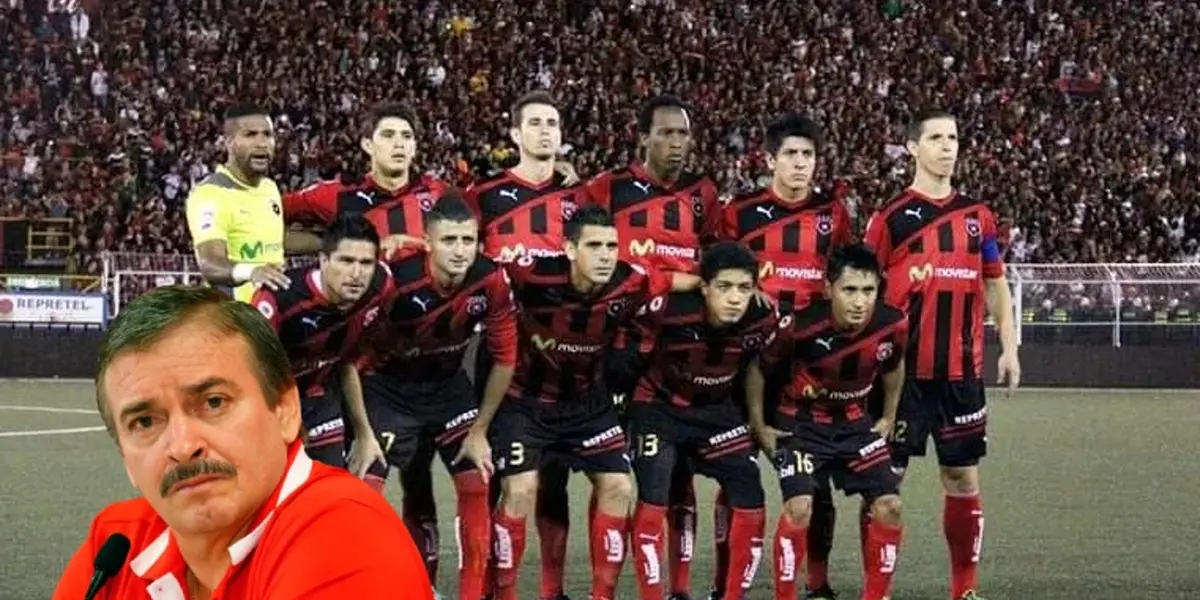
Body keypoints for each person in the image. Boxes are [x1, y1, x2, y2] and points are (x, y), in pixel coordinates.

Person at [52, 286, 431, 599]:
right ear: (125, 456)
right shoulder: (116, 544)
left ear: (284, 409)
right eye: (145, 422)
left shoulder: (346, 536)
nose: (183, 446)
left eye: (214, 402)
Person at [470, 206, 689, 600]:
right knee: (520, 490)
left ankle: (600, 596)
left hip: (588, 405)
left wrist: (720, 282)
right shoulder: (531, 272)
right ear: (570, 248)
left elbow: (675, 280)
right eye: (594, 246)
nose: (605, 255)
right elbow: (478, 265)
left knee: (620, 487)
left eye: (611, 246)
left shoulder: (630, 280)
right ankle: (504, 594)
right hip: (524, 402)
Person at [864, 109, 1021, 600]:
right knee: (885, 488)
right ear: (912, 147)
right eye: (935, 138)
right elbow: (862, 291)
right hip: (899, 377)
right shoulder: (889, 218)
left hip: (960, 372)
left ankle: (964, 590)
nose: (947, 146)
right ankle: (877, 591)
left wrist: (1010, 348)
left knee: (961, 475)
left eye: (953, 137)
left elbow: (994, 284)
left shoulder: (979, 216)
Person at [584, 93, 721, 600]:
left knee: (678, 474)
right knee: (611, 479)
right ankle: (605, 589)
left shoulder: (702, 195)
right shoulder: (607, 190)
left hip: (680, 357)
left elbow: (714, 263)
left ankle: (679, 589)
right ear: (643, 137)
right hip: (616, 352)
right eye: (666, 132)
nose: (677, 143)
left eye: (683, 133)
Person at [356, 193, 518, 600]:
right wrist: (360, 430)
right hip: (388, 391)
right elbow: (350, 351)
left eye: (467, 240)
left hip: (448, 390)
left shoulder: (491, 279)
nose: (460, 250)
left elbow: (505, 359)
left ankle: (471, 595)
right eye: (449, 240)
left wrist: (480, 430)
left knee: (478, 479)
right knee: (364, 490)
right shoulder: (393, 278)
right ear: (427, 241)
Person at [719, 113, 852, 600]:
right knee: (735, 471)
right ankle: (724, 583)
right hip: (746, 361)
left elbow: (844, 281)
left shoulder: (833, 214)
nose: (801, 163)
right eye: (791, 154)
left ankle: (817, 584)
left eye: (808, 155)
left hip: (810, 367)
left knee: (815, 483)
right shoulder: (741, 212)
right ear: (770, 159)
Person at [464, 90, 590, 600]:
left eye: (552, 123)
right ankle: (494, 587)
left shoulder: (581, 201)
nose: (544, 131)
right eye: (534, 123)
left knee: (553, 478)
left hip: (562, 354)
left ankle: (552, 589)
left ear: (561, 136)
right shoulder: (485, 195)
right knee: (493, 473)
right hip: (499, 351)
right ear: (515, 134)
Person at [610, 241, 775, 600]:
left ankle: (730, 595)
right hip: (658, 410)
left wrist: (758, 420)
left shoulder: (764, 318)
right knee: (655, 495)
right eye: (724, 287)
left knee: (750, 492)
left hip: (717, 415)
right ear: (704, 287)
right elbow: (625, 335)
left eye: (744, 289)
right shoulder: (667, 310)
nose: (735, 298)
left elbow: (759, 368)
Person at [748, 243, 908, 600]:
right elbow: (758, 371)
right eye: (849, 290)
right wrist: (760, 427)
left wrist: (888, 416)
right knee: (800, 507)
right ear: (828, 288)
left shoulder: (893, 322)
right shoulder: (798, 326)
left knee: (890, 506)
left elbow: (895, 366)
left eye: (868, 291)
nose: (859, 301)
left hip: (854, 425)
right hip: (801, 426)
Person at [249, 214, 392, 470]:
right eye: (346, 261)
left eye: (366, 263)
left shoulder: (380, 287)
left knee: (328, 491)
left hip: (319, 398)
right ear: (323, 261)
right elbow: (247, 376)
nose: (356, 273)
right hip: (267, 406)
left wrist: (364, 433)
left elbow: (347, 361)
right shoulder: (279, 300)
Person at [282, 102, 449, 255]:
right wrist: (327, 244)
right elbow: (267, 211)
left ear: (414, 148)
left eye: (406, 136)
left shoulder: (438, 192)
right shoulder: (337, 194)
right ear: (368, 145)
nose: (399, 144)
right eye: (388, 135)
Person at [185, 103, 289, 303]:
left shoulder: (270, 188)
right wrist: (252, 271)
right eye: (250, 135)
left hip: (271, 314)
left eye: (268, 134)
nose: (262, 143)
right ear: (229, 142)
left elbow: (274, 238)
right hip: (235, 318)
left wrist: (328, 242)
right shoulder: (210, 194)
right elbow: (210, 264)